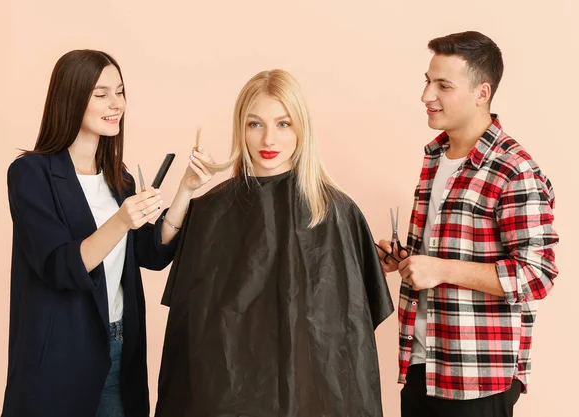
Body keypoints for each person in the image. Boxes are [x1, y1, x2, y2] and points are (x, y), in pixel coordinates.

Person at [155, 69, 394, 417]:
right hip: (224, 396)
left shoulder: (338, 212)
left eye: (283, 124)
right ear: (241, 128)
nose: (269, 139)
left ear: (302, 128)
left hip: (315, 397)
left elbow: (351, 329)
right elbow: (188, 322)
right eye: (255, 124)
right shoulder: (210, 211)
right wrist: (186, 191)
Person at [377, 31, 559, 417]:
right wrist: (407, 261)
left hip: (477, 377)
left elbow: (536, 275)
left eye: (443, 85)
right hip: (420, 364)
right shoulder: (434, 158)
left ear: (482, 92)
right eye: (427, 81)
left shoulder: (514, 169)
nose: (427, 95)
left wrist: (440, 269)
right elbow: (447, 254)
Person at [3, 49, 193, 417]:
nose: (116, 103)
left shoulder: (117, 177)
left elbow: (151, 255)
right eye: (101, 93)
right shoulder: (30, 174)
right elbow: (61, 266)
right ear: (72, 97)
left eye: (120, 92)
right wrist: (121, 221)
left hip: (120, 346)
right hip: (60, 353)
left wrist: (185, 189)